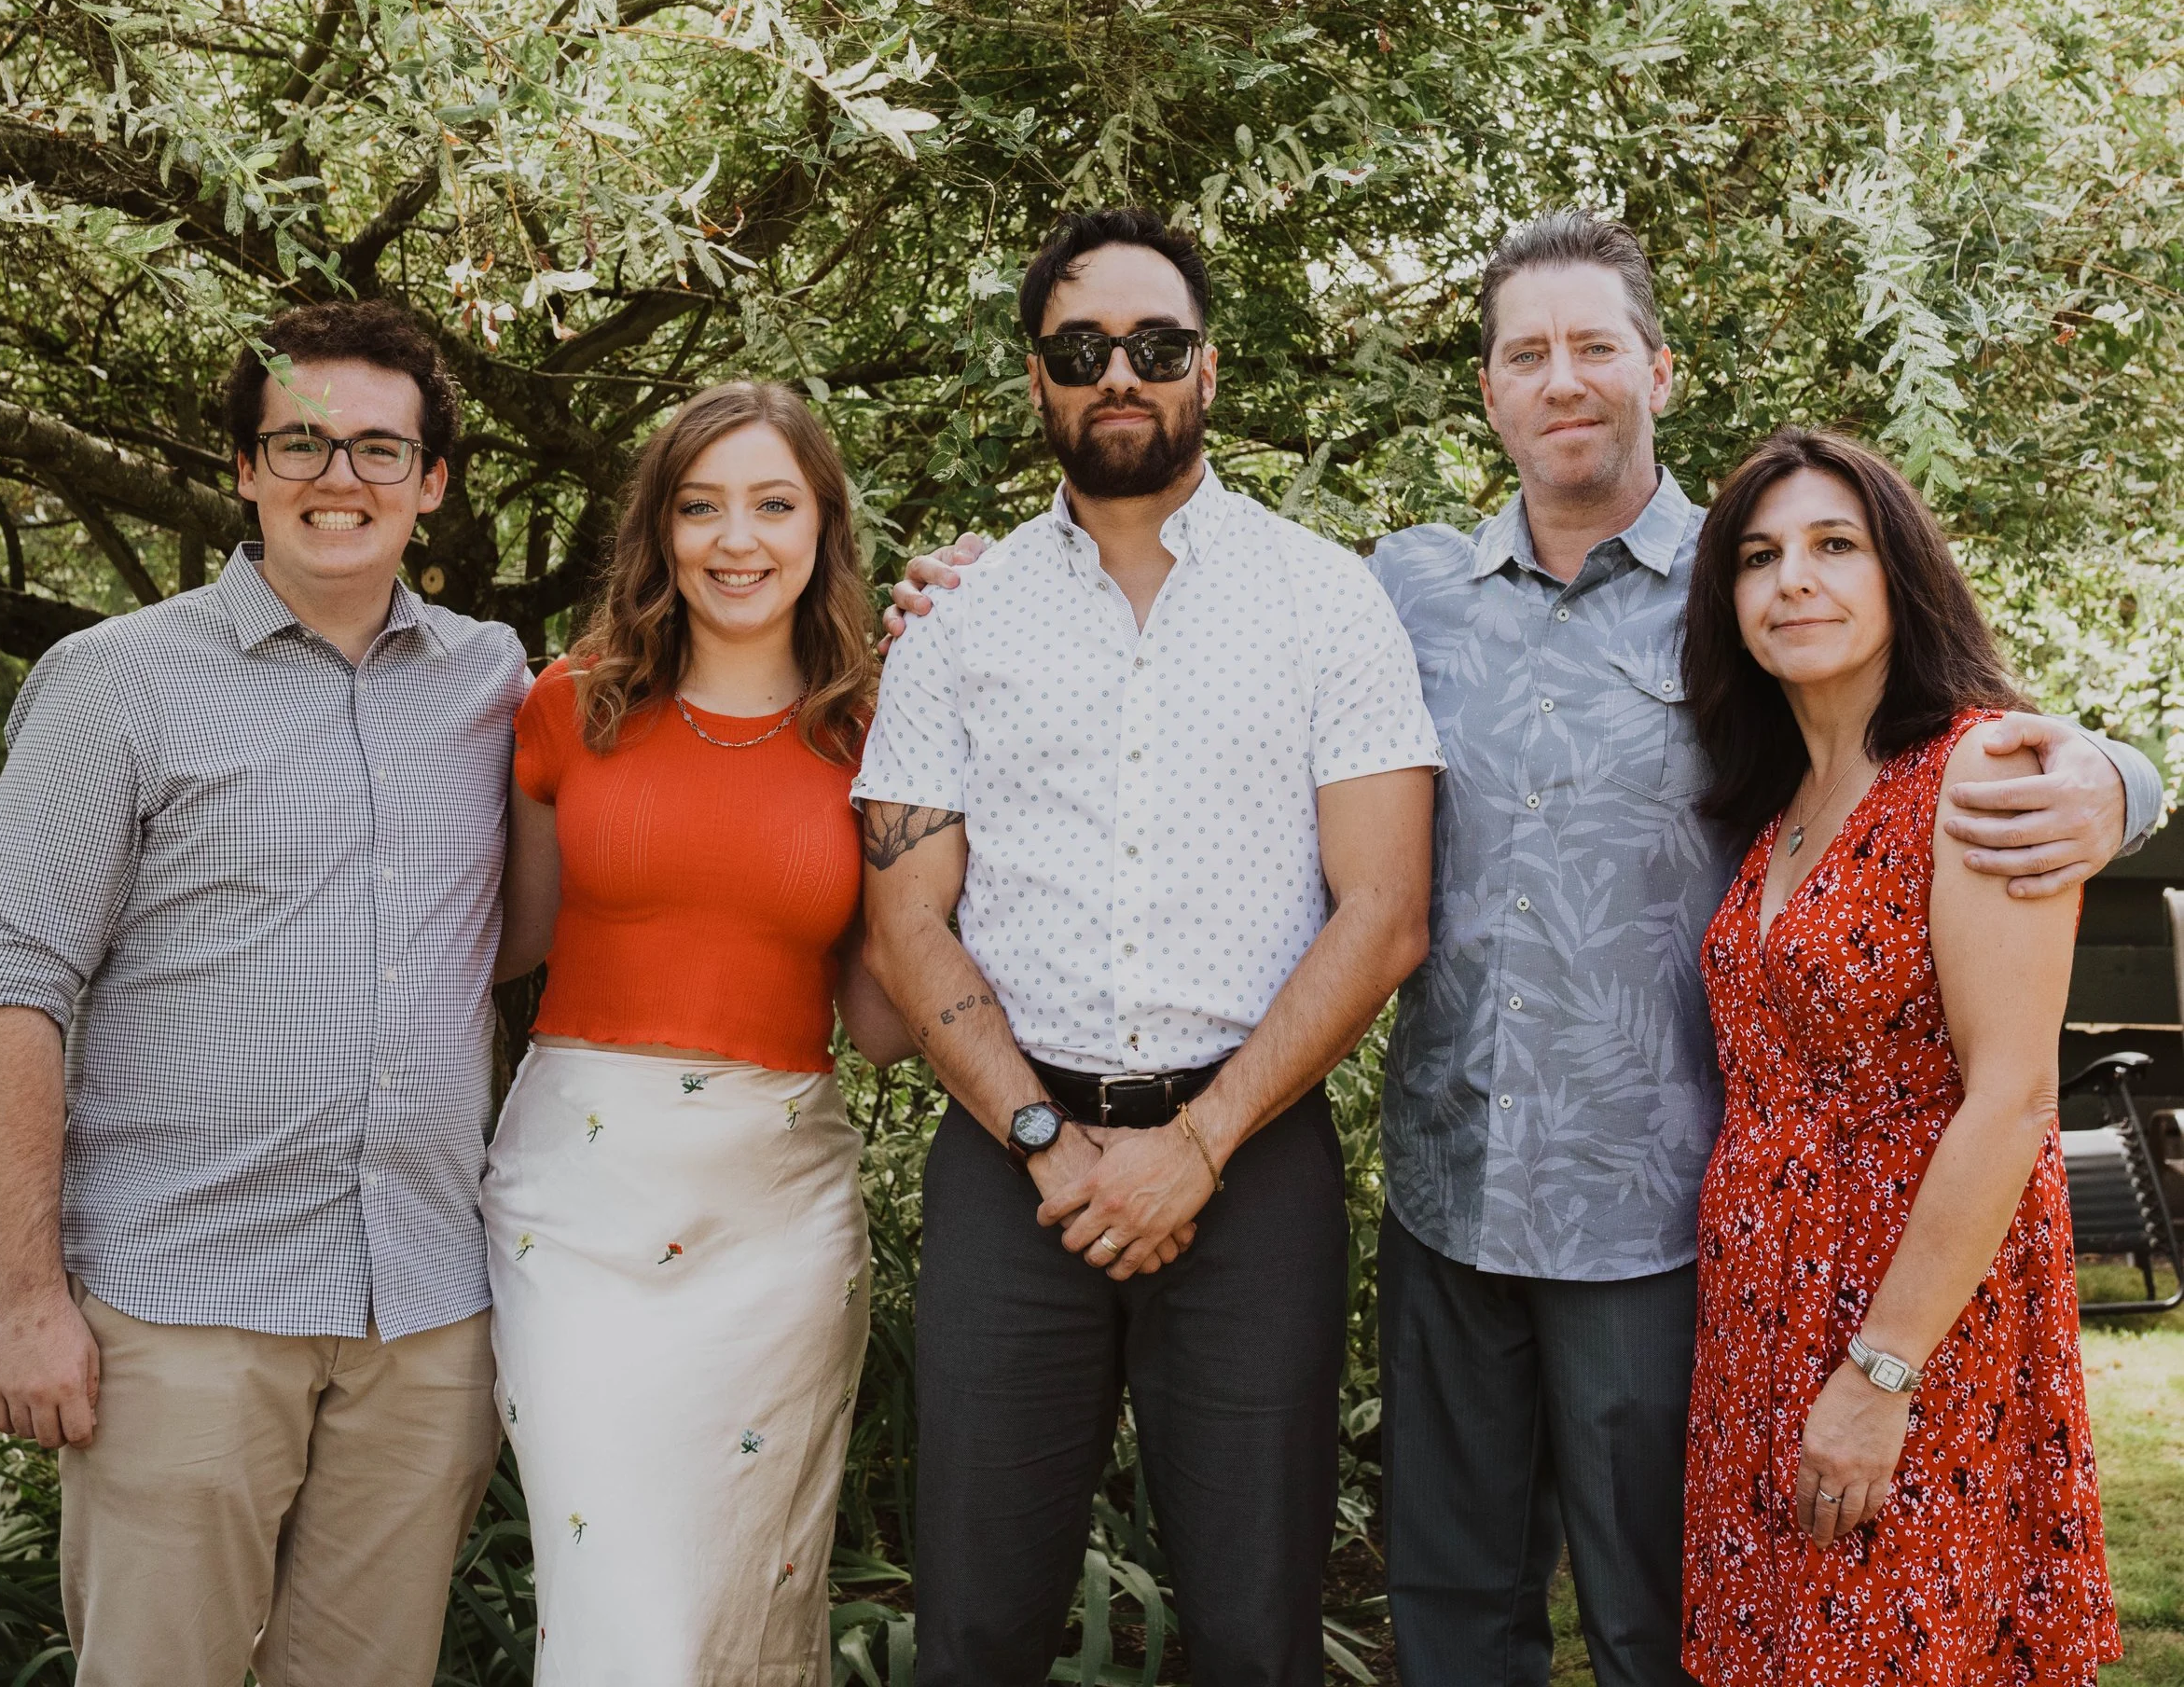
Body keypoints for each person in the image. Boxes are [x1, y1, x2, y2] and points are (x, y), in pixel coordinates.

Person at [884, 209, 2163, 1686]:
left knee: (1656, 1622)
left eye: (1595, 347)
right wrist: (948, 596)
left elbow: (1924, 730)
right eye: (1526, 354)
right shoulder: (1393, 593)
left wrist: (2119, 780)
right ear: (1487, 392)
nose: (1563, 380)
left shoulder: (1750, 587)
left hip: (1666, 1214)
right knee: (1452, 1620)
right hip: (1450, 1200)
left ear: (1660, 370)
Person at [856, 206, 1443, 1687]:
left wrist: (1199, 1143)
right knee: (976, 1628)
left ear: (1211, 369)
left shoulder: (1328, 599)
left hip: (1254, 1170)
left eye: (1155, 344)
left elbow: (1384, 914)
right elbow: (905, 915)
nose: (1119, 372)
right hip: (1011, 1166)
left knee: (1257, 1632)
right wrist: (1048, 1139)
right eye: (1079, 348)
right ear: (1039, 382)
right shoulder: (957, 622)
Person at [0, 301, 527, 1687]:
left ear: (432, 483)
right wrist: (27, 1299)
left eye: (381, 450)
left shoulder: (496, 685)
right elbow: (11, 986)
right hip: (183, 1306)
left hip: (425, 1314)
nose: (343, 480)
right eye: (303, 445)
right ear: (247, 471)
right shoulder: (115, 684)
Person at [483, 380, 914, 1681]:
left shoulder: (875, 729)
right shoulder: (572, 705)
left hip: (776, 1214)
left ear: (822, 528)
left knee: (742, 1594)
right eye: (701, 506)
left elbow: (885, 1023)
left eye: (774, 504)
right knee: (619, 1586)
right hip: (579, 1198)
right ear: (660, 532)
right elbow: (502, 943)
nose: (738, 539)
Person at [1678, 426, 2121, 1683]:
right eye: (1759, 557)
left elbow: (2013, 1095)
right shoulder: (1781, 805)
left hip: (1913, 1323)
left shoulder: (1973, 768)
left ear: (1900, 573)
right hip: (1763, 1327)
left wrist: (1881, 1372)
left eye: (1834, 546)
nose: (1792, 581)